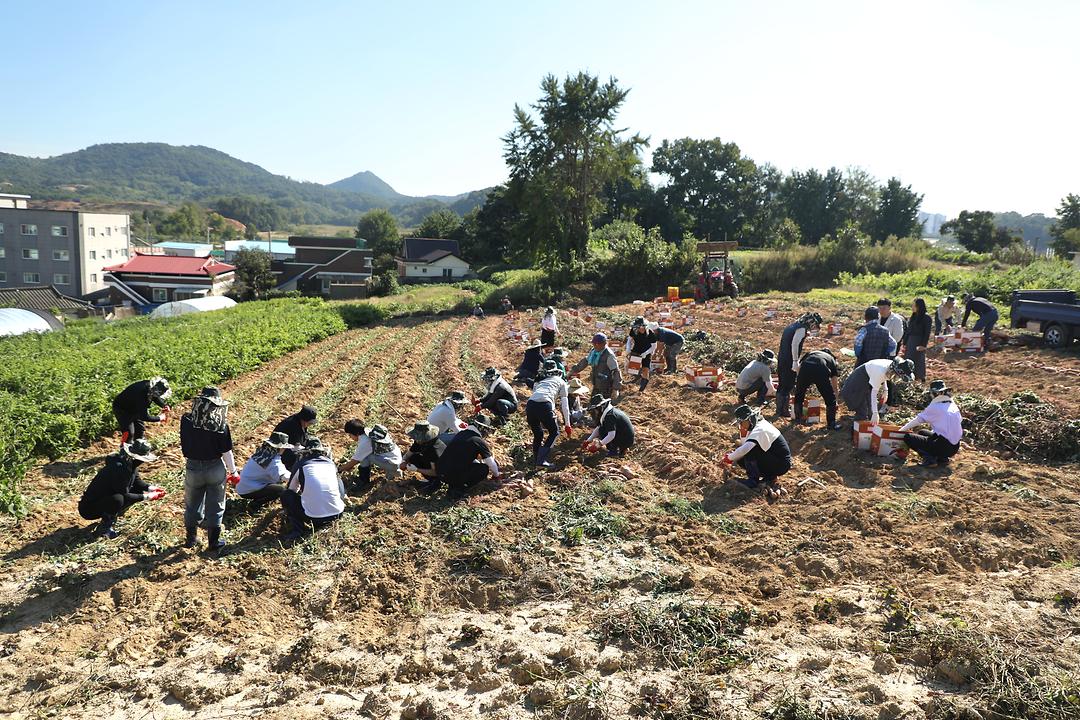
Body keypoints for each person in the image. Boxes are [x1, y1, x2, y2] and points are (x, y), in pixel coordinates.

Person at [180, 386, 236, 553]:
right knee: (216, 504)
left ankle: (191, 540)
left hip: (193, 466)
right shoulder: (220, 425)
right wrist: (233, 472)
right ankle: (214, 543)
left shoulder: (186, 420)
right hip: (215, 467)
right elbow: (227, 452)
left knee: (192, 504)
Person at [78, 439, 165, 539]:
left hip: (105, 499)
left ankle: (113, 514)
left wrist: (151, 488)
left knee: (135, 491)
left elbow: (137, 482)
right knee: (118, 499)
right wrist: (148, 496)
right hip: (89, 508)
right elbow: (125, 494)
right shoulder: (119, 468)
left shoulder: (130, 465)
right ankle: (105, 527)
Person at [281, 437, 346, 541]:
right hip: (337, 513)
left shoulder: (301, 465)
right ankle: (339, 503)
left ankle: (298, 529)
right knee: (337, 480)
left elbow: (291, 490)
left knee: (286, 495)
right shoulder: (330, 464)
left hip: (314, 518)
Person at [722, 405, 791, 501]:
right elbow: (744, 444)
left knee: (749, 451)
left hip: (781, 463)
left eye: (742, 422)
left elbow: (746, 448)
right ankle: (769, 477)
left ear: (749, 419)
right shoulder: (755, 426)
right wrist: (743, 434)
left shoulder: (760, 428)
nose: (741, 425)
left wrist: (729, 458)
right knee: (741, 458)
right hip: (775, 459)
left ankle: (753, 481)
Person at [432, 414, 502, 500]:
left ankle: (453, 484)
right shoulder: (478, 440)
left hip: (440, 471)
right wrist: (496, 476)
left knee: (464, 463)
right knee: (484, 469)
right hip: (451, 475)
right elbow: (490, 463)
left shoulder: (460, 434)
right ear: (483, 429)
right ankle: (459, 488)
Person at [899, 380, 963, 468]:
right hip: (955, 446)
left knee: (908, 437)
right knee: (922, 432)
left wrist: (901, 430)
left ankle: (929, 459)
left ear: (934, 393)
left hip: (944, 447)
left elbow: (918, 420)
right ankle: (942, 459)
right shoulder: (952, 405)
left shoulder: (935, 407)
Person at [840, 357, 915, 425]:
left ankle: (865, 422)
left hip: (867, 381)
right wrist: (876, 413)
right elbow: (874, 393)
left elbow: (885, 376)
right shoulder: (881, 371)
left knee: (870, 412)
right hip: (857, 381)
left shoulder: (892, 365)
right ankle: (855, 429)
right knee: (863, 412)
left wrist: (886, 390)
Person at [526, 360, 572, 467]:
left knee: (538, 433)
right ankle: (541, 461)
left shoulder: (540, 381)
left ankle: (536, 458)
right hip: (545, 405)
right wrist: (567, 424)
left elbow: (536, 395)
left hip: (530, 405)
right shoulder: (561, 382)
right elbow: (565, 406)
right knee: (554, 432)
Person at [776, 313, 822, 418]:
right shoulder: (801, 329)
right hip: (789, 360)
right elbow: (795, 344)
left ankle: (779, 410)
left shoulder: (793, 325)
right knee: (787, 385)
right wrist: (795, 361)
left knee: (782, 384)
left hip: (782, 358)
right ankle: (784, 411)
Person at [339, 420, 403, 486]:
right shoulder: (370, 432)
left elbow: (354, 461)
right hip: (396, 458)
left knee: (366, 457)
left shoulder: (365, 441)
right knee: (366, 455)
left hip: (394, 464)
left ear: (356, 433)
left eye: (350, 435)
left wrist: (339, 469)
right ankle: (391, 473)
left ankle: (363, 481)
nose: (350, 437)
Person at [235, 431, 293, 502]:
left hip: (244, 486)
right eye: (284, 448)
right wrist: (298, 478)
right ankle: (255, 505)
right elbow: (283, 475)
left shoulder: (262, 453)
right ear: (280, 448)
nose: (284, 450)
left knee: (277, 485)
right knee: (281, 489)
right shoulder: (272, 460)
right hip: (249, 489)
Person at [793, 349, 842, 430]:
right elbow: (834, 385)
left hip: (805, 367)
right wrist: (835, 400)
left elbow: (799, 367)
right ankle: (831, 425)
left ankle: (798, 420)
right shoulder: (831, 359)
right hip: (821, 369)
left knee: (799, 395)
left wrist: (800, 384)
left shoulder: (811, 352)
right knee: (830, 398)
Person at [112, 377, 172, 443]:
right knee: (129, 432)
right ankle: (123, 450)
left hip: (134, 407)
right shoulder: (141, 395)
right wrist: (160, 418)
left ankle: (137, 448)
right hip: (122, 409)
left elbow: (155, 396)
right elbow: (144, 416)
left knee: (140, 430)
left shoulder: (151, 388)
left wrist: (164, 405)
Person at [569, 333, 623, 403]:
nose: (594, 346)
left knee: (602, 405)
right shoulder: (594, 351)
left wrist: (615, 389)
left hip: (606, 386)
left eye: (595, 344)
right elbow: (585, 361)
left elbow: (616, 371)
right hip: (596, 383)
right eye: (594, 344)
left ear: (601, 344)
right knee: (593, 403)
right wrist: (573, 371)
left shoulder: (609, 355)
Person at [274, 405, 317, 472]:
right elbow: (295, 445)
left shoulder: (302, 423)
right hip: (282, 452)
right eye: (310, 422)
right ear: (304, 419)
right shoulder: (293, 426)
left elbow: (304, 438)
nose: (310, 424)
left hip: (292, 448)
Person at [401, 422, 446, 486]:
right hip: (431, 463)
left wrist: (417, 469)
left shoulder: (433, 450)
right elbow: (408, 454)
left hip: (442, 472)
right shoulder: (419, 442)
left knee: (437, 476)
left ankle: (434, 481)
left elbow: (435, 472)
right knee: (414, 458)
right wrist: (403, 461)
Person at [625, 317, 659, 391]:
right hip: (637, 349)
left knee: (645, 369)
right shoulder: (633, 331)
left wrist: (646, 353)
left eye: (643, 327)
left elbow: (654, 346)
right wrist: (628, 348)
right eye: (639, 327)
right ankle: (637, 377)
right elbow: (629, 339)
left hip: (647, 350)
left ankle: (642, 386)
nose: (641, 329)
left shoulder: (650, 333)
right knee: (633, 367)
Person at [905, 298, 933, 383]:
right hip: (911, 341)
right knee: (909, 359)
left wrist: (923, 345)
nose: (912, 307)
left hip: (919, 341)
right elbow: (908, 330)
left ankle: (920, 378)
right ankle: (909, 377)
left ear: (918, 306)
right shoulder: (913, 316)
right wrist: (905, 342)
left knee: (919, 360)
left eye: (913, 305)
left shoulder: (926, 317)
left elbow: (926, 333)